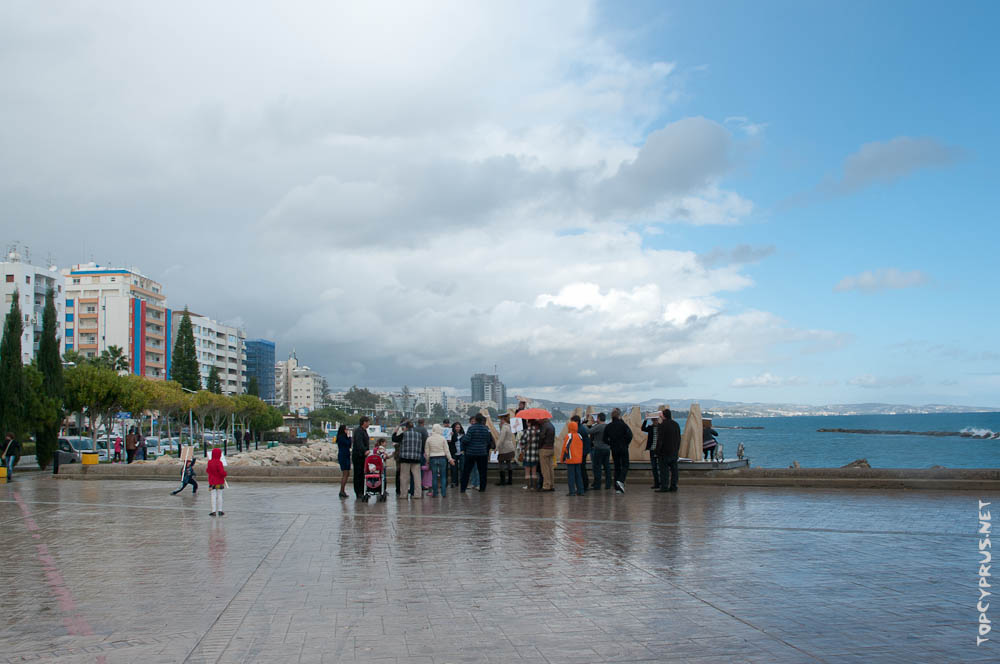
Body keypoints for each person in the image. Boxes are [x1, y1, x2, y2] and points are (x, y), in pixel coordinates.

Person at [460, 414, 492, 493]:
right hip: (482, 453)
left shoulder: (471, 428)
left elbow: (466, 440)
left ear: (476, 420)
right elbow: (489, 441)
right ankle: (482, 488)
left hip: (471, 453)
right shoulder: (486, 429)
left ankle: (463, 489)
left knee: (466, 472)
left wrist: (463, 443)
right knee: (483, 472)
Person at [604, 408, 633, 494]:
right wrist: (626, 443)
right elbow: (630, 435)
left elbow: (604, 439)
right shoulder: (623, 425)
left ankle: (618, 488)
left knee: (617, 467)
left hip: (614, 448)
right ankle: (620, 481)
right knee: (625, 465)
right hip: (623, 448)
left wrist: (611, 443)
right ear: (619, 416)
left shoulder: (608, 426)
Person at [656, 408, 682, 493]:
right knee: (674, 470)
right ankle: (674, 486)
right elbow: (679, 438)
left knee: (664, 471)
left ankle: (664, 486)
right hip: (674, 451)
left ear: (663, 416)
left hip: (664, 452)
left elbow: (660, 440)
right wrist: (677, 449)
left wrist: (657, 451)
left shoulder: (662, 425)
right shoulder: (676, 424)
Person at [397, 420, 425, 499]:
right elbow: (422, 445)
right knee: (417, 477)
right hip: (416, 458)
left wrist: (396, 430)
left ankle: (404, 494)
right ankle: (417, 494)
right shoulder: (419, 435)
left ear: (406, 427)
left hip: (405, 458)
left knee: (404, 477)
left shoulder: (403, 434)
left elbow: (394, 438)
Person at [426, 423, 454, 497]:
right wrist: (450, 459)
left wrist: (427, 460)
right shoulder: (443, 438)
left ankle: (435, 493)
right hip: (442, 458)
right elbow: (446, 450)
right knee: (443, 476)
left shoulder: (429, 439)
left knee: (434, 477)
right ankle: (443, 493)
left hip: (433, 458)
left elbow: (427, 452)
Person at [561, 420, 584, 496]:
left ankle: (572, 491)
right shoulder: (579, 435)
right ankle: (580, 490)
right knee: (578, 475)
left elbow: (565, 448)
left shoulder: (569, 436)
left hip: (571, 458)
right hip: (578, 458)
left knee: (571, 476)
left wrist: (562, 459)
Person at [589, 413, 610, 490]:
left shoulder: (598, 426)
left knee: (597, 467)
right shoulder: (608, 426)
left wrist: (588, 424)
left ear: (598, 418)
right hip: (607, 449)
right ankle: (608, 484)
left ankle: (597, 485)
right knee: (607, 467)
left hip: (599, 449)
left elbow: (589, 431)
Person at [352, 417, 371, 499]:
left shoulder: (363, 431)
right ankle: (358, 492)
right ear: (364, 422)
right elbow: (359, 443)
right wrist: (364, 451)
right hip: (358, 455)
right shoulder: (359, 431)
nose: (369, 424)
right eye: (368, 422)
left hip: (362, 456)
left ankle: (362, 491)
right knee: (358, 474)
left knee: (362, 474)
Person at [641, 412, 661, 490]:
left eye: (656, 420)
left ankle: (661, 482)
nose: (654, 421)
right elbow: (642, 428)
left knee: (660, 467)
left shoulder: (661, 427)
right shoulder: (650, 427)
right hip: (652, 450)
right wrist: (645, 420)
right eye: (653, 420)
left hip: (659, 450)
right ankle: (656, 483)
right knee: (654, 467)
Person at [494, 412, 516, 486]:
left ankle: (502, 481)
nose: (500, 421)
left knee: (501, 463)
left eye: (501, 419)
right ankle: (510, 480)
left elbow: (501, 438)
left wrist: (496, 447)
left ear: (503, 419)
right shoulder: (509, 426)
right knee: (509, 462)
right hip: (510, 447)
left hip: (504, 448)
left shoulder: (504, 427)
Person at [571, 415, 590, 492]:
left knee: (581, 469)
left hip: (581, 452)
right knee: (582, 468)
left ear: (576, 422)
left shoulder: (579, 430)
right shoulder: (582, 428)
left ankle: (583, 485)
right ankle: (584, 485)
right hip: (584, 451)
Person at [206, 447, 227, 516]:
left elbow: (207, 471)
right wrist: (225, 474)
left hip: (212, 482)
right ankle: (220, 510)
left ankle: (213, 511)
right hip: (219, 481)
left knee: (213, 496)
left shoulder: (209, 462)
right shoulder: (219, 462)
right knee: (220, 495)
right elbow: (221, 472)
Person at [519, 420, 539, 490]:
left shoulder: (526, 431)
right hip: (535, 455)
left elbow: (521, 442)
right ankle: (534, 486)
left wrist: (523, 447)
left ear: (529, 423)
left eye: (527, 422)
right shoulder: (538, 431)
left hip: (527, 455)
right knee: (534, 472)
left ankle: (528, 486)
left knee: (527, 472)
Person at [538, 417, 556, 492]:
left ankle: (546, 485)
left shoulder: (544, 426)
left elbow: (542, 437)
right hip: (551, 448)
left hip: (544, 449)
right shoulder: (552, 425)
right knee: (550, 468)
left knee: (545, 469)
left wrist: (539, 446)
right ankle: (552, 485)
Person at [336, 424, 351, 499]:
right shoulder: (341, 437)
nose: (347, 431)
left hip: (345, 455)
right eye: (346, 429)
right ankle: (342, 491)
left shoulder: (342, 437)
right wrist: (349, 437)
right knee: (345, 473)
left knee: (347, 473)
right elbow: (348, 444)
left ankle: (342, 490)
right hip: (343, 456)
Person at [449, 421, 464, 488]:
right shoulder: (451, 434)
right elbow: (450, 442)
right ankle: (454, 482)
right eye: (456, 427)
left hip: (461, 453)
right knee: (454, 469)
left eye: (459, 427)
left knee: (462, 468)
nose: (458, 428)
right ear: (454, 427)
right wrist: (451, 435)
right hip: (454, 453)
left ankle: (462, 481)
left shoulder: (463, 434)